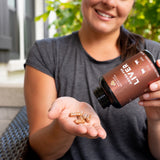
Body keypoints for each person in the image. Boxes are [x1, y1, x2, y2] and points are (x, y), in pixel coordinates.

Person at [24, 0, 160, 159]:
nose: (109, 2)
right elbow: (44, 152)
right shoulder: (46, 53)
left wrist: (156, 120)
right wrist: (62, 128)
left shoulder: (153, 57)